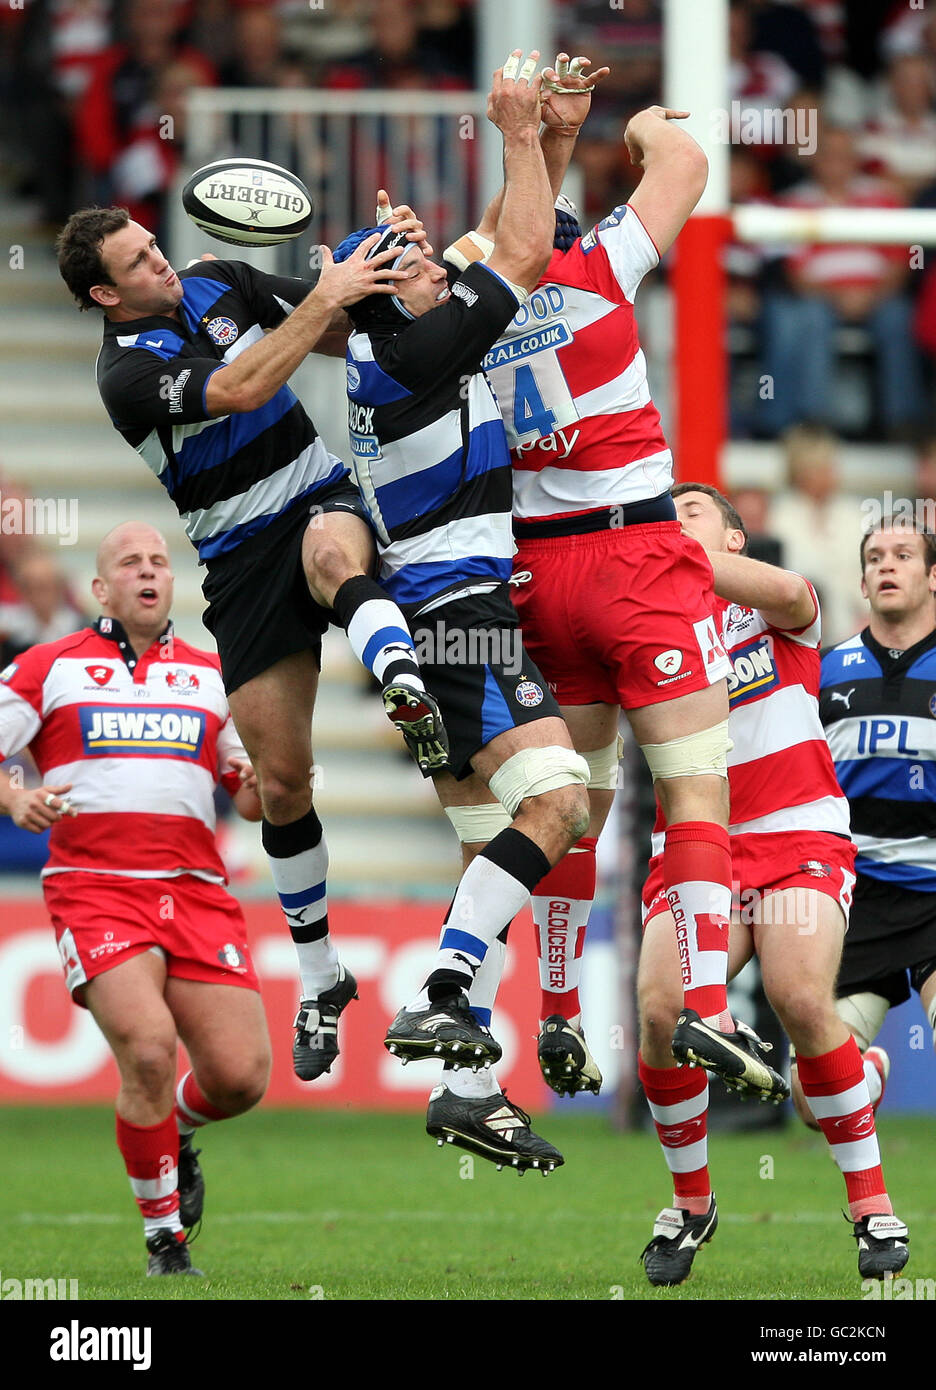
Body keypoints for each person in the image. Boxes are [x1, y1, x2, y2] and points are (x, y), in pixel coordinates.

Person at [440, 72, 785, 1105]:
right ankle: (712, 1009)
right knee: (694, 791)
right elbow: (685, 162)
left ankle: (552, 1012)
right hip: (636, 554)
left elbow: (493, 245)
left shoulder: (470, 299)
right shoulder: (598, 265)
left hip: (535, 569)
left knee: (573, 810)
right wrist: (636, 122)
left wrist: (533, 143)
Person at [55, 196, 447, 1083]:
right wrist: (324, 296)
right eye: (139, 262)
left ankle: (400, 679)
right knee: (282, 778)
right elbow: (239, 386)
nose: (162, 262)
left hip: (317, 497)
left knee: (331, 555)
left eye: (154, 245)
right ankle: (321, 977)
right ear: (106, 297)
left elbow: (345, 332)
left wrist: (393, 266)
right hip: (235, 561)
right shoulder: (124, 376)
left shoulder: (218, 282)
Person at [336, 50, 591, 1172]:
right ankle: (441, 990)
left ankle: (465, 1088)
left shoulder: (402, 338)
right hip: (461, 616)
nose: (445, 263)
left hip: (441, 614)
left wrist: (543, 137)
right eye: (419, 260)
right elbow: (524, 247)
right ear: (394, 289)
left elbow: (495, 237)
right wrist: (518, 130)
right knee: (564, 799)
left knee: (495, 847)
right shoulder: (414, 349)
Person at [636, 486, 907, 1287]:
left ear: (732, 533)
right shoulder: (643, 624)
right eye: (667, 510)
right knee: (659, 1014)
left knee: (797, 993)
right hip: (695, 848)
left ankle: (871, 1205)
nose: (674, 516)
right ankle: (692, 1207)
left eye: (691, 508)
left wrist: (676, 554)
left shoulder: (771, 604)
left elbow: (793, 594)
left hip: (794, 835)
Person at [0, 521, 269, 1277]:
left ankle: (172, 1130)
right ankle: (165, 1244)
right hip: (96, 891)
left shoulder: (215, 676)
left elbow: (247, 801)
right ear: (102, 589)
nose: (148, 572)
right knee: (148, 1050)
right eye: (130, 562)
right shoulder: (50, 668)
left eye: (159, 561)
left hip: (197, 894)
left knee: (241, 1077)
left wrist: (260, 790)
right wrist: (15, 798)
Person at [805, 518, 936, 1157]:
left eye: (904, 555)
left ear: (932, 576)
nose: (888, 565)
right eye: (876, 558)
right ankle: (871, 1074)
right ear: (861, 581)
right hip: (860, 898)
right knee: (813, 1101)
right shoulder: (827, 673)